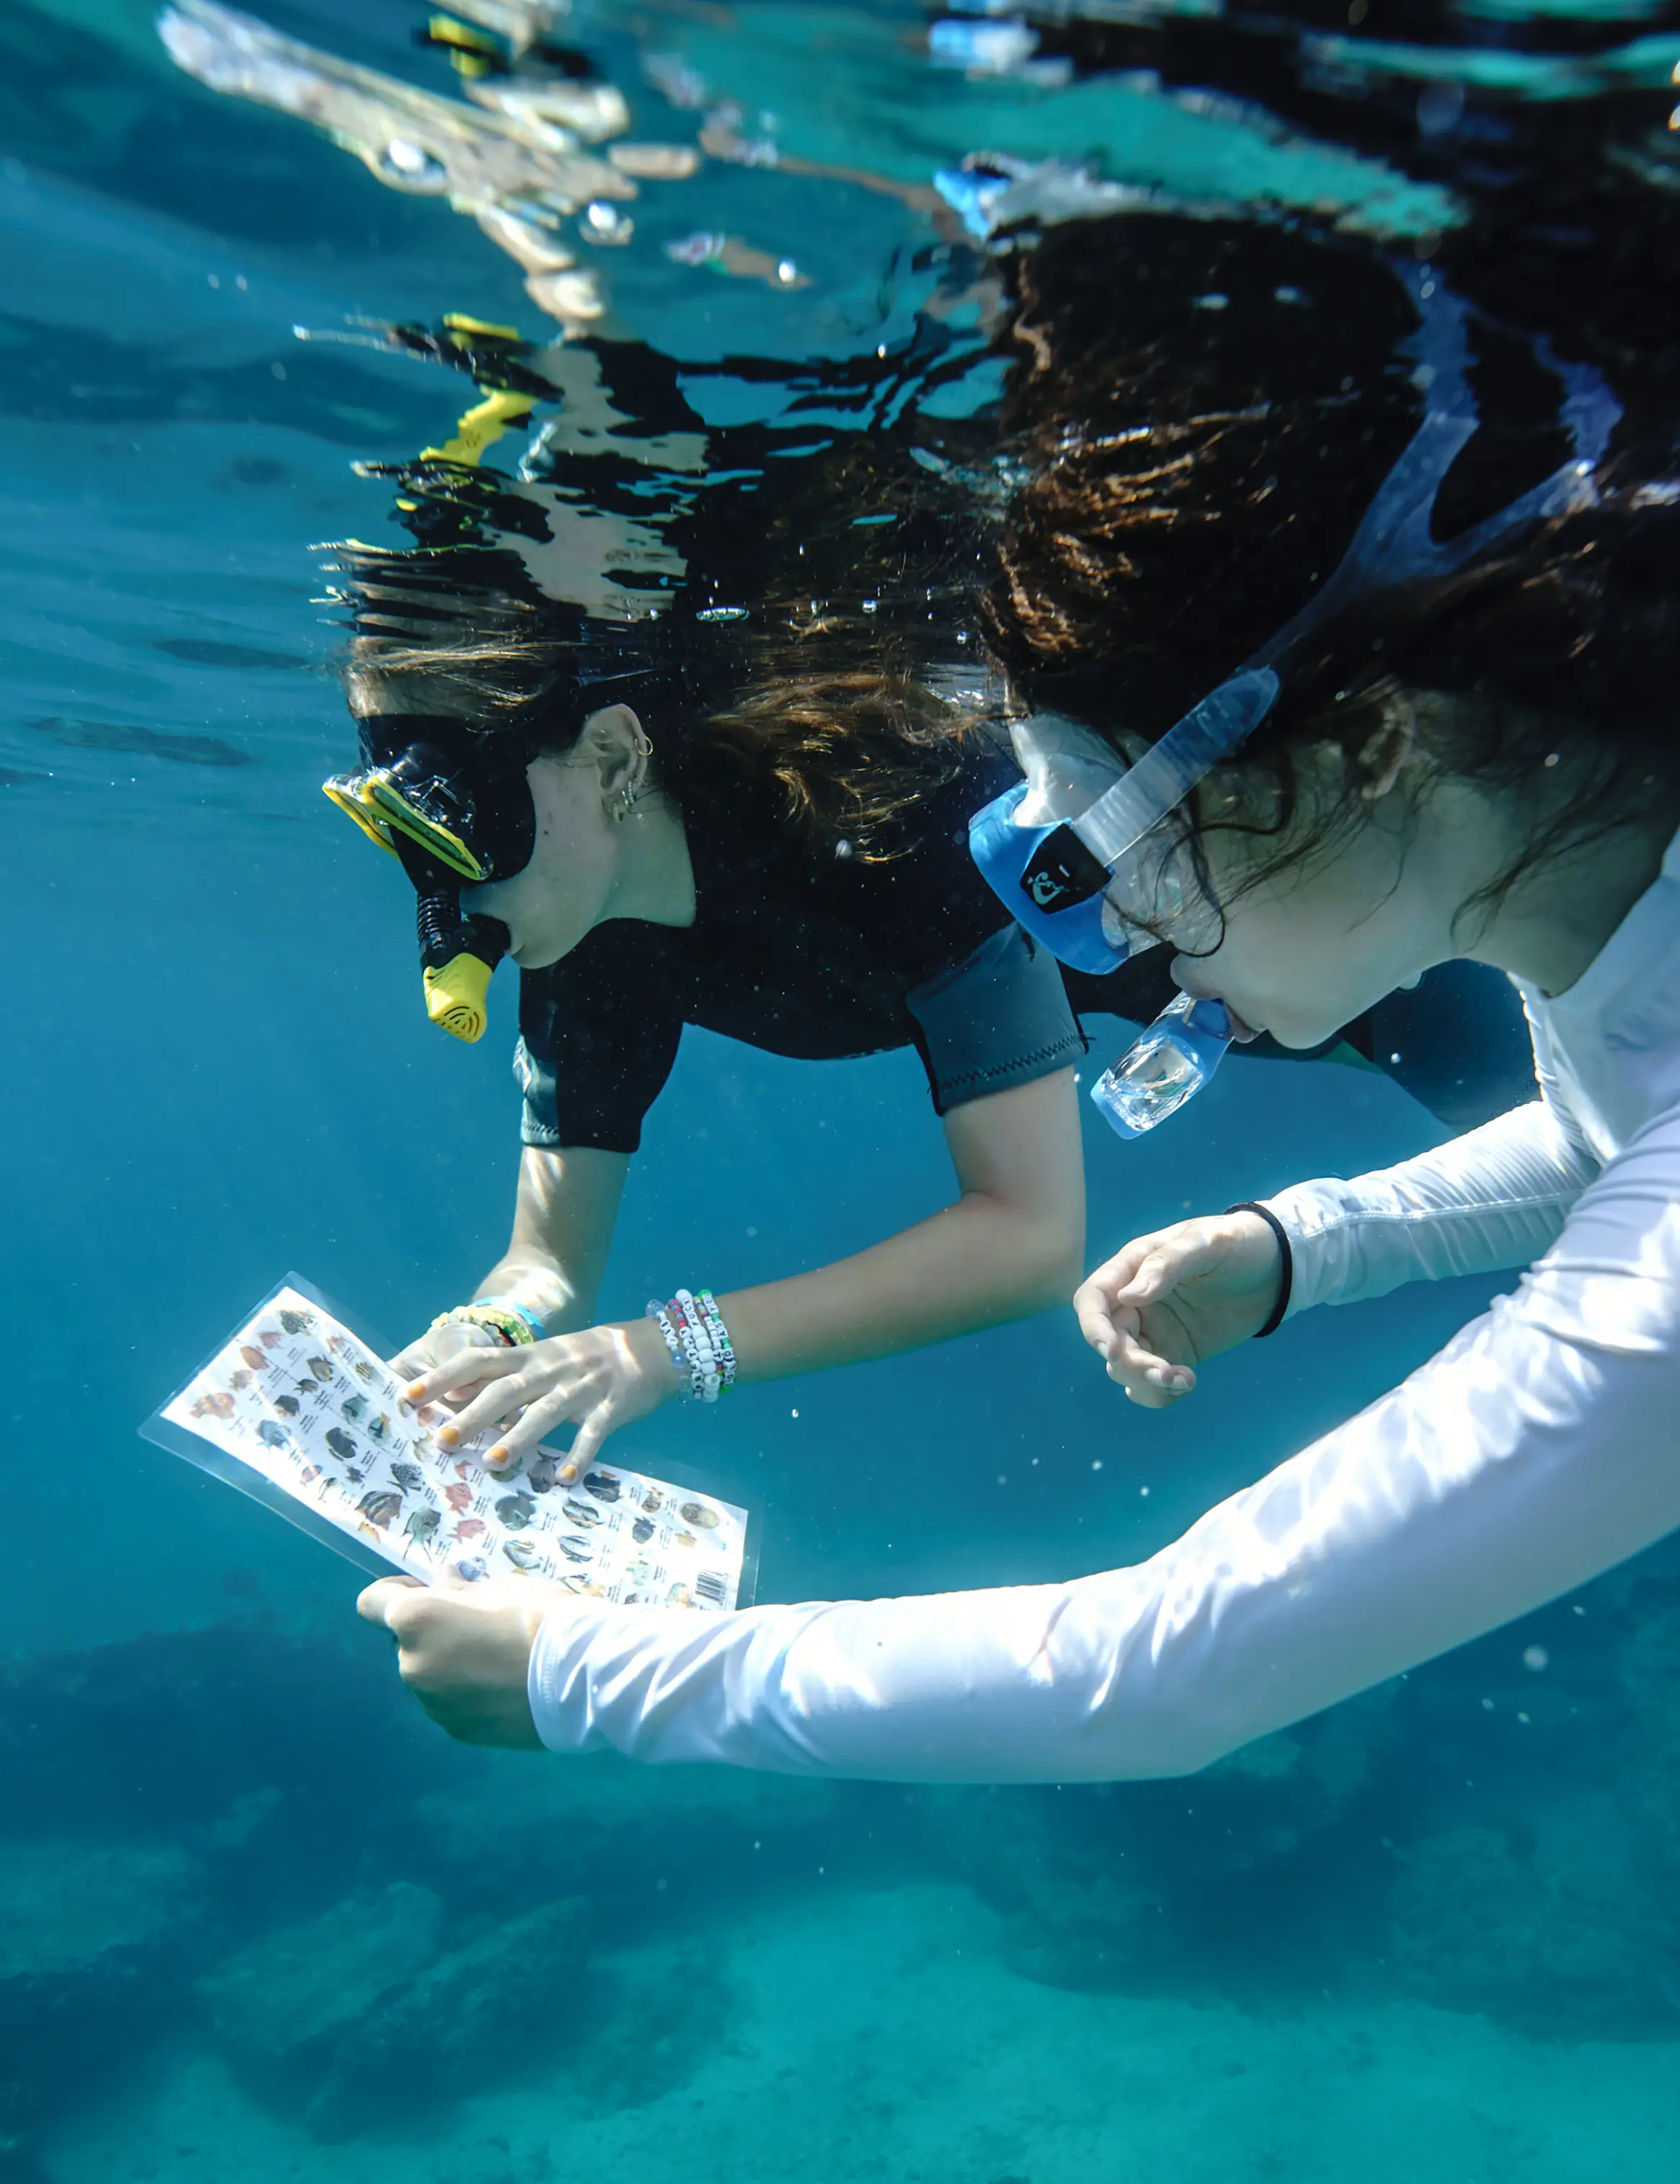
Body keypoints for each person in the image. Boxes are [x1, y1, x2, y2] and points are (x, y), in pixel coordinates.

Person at [356, 215, 1680, 1771]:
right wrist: (1303, 1247)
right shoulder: (1601, 919)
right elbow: (1607, 1145)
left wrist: (587, 1675)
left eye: (1103, 846)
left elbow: (1162, 1673)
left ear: (1371, 749)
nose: (1103, 933)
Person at [328, 302, 1532, 1486]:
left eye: (465, 822)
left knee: (1578, 1114)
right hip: (1257, 991)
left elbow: (1030, 1236)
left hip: (1333, 960)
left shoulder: (883, 819)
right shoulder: (576, 933)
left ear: (610, 756)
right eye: (408, 836)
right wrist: (489, 1332)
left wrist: (661, 1354)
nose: (446, 897)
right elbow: (545, 1267)